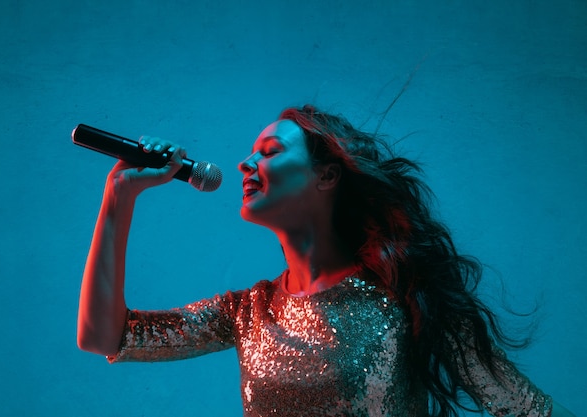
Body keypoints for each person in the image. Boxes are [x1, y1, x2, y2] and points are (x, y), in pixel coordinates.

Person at [77, 105, 575, 417]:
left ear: (327, 177)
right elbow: (104, 337)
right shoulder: (249, 312)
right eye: (251, 153)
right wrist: (118, 197)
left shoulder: (404, 296)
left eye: (269, 152)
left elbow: (525, 408)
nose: (245, 164)